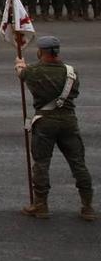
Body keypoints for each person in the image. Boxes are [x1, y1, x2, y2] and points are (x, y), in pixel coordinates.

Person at [18, 35, 94, 221]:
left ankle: (41, 205)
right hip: (68, 121)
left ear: (41, 51)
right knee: (78, 163)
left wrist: (20, 65)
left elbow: (23, 75)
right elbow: (74, 92)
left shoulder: (33, 71)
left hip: (45, 122)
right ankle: (87, 207)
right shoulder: (71, 72)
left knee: (42, 163)